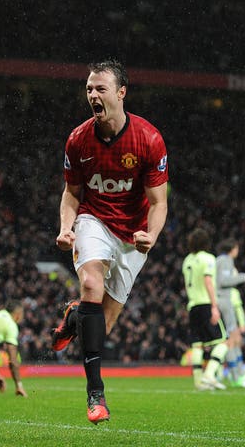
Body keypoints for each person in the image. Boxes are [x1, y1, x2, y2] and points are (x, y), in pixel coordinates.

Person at [52, 59, 168, 424]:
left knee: (104, 323)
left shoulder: (148, 139)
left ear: (121, 92)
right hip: (94, 221)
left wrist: (151, 234)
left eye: (100, 88)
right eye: (89, 89)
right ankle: (95, 396)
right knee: (90, 283)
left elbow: (159, 202)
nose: (92, 95)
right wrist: (66, 226)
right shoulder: (78, 139)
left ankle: (74, 320)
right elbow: (71, 193)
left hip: (133, 236)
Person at [181, 227, 228, 391]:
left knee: (197, 345)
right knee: (223, 342)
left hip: (193, 306)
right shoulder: (208, 258)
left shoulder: (187, 260)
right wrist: (214, 306)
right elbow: (208, 281)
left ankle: (199, 382)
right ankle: (209, 374)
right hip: (205, 304)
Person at [215, 238, 245, 388]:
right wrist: (244, 277)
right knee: (231, 340)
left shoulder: (220, 260)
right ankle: (235, 376)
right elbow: (224, 281)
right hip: (224, 302)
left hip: (223, 301)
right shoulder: (225, 260)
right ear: (232, 248)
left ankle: (238, 374)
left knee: (233, 340)